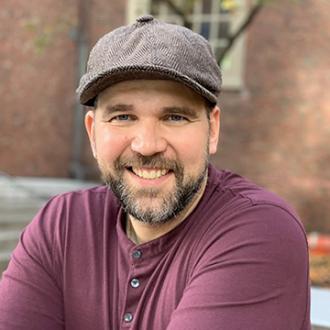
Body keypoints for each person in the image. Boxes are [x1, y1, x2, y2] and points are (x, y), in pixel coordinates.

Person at [0, 15, 310, 330]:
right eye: (123, 117)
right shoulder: (62, 225)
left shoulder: (260, 229)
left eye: (174, 117)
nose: (147, 145)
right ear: (93, 133)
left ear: (212, 129)